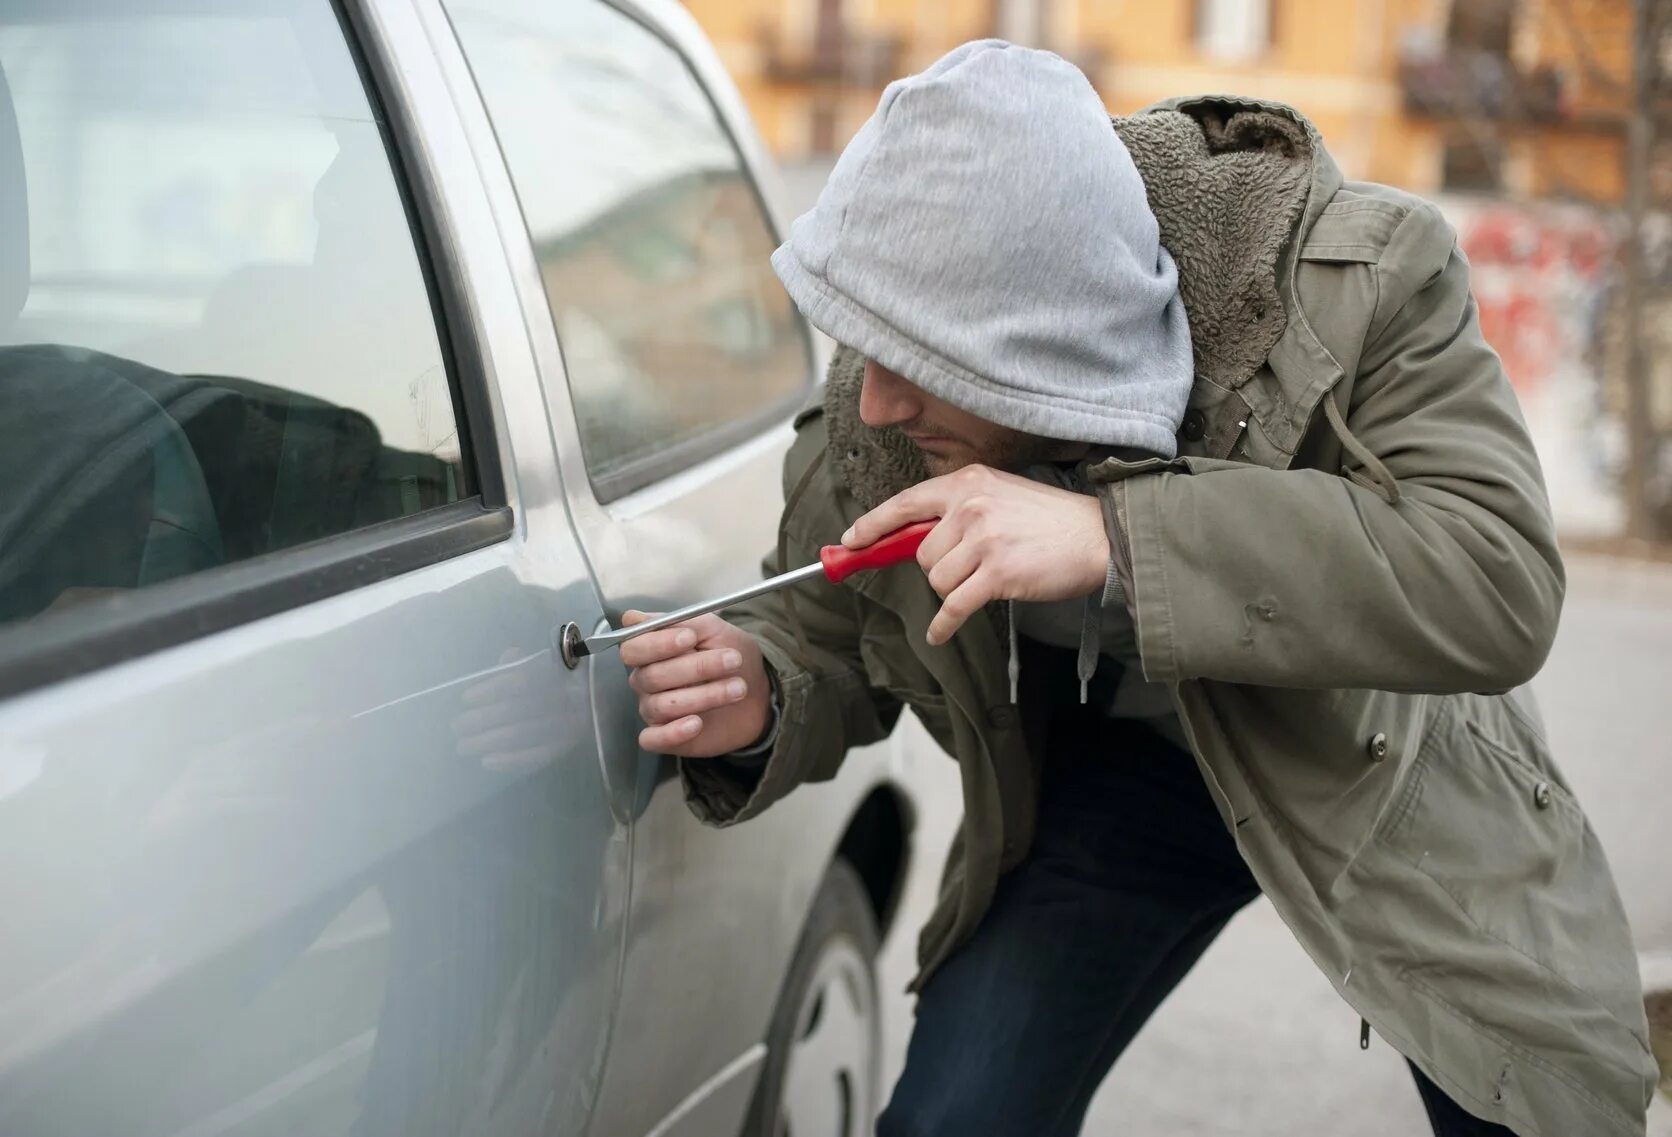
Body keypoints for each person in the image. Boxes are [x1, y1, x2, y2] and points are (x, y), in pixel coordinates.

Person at [620, 41, 1656, 1137]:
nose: (873, 404)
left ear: (1039, 340)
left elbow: (1493, 577)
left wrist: (1111, 535)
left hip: (1378, 756)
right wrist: (761, 688)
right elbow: (831, 625)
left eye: (915, 362)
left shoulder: (1363, 280)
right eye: (862, 345)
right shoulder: (882, 410)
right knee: (956, 1119)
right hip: (1129, 783)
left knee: (1532, 1112)